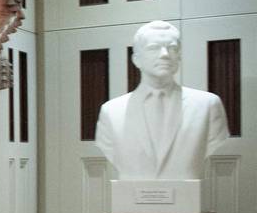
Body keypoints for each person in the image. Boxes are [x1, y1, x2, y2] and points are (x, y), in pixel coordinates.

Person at [95, 20, 230, 180]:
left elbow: (214, 141)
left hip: (185, 199)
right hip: (132, 199)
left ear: (179, 57)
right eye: (153, 48)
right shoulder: (111, 111)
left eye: (172, 48)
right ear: (136, 59)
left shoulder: (207, 105)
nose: (165, 54)